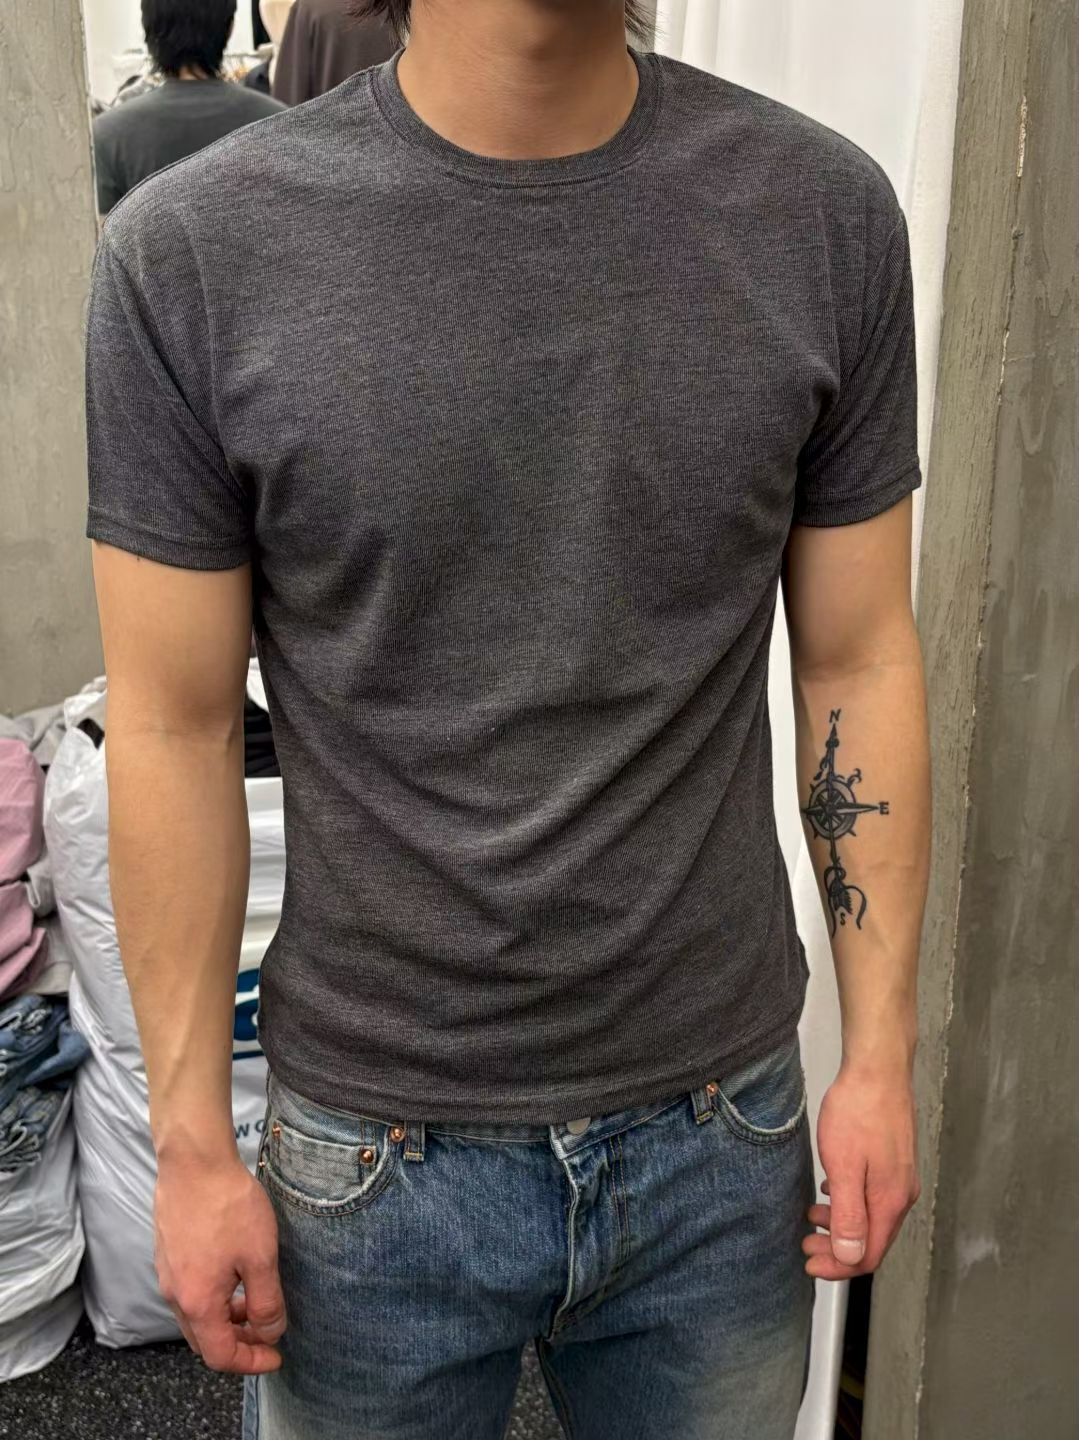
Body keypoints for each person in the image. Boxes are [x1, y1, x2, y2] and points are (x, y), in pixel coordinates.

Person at [84, 1, 930, 1435]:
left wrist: (878, 1055)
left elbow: (854, 661)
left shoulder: (820, 218)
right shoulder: (195, 255)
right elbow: (172, 729)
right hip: (369, 1156)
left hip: (716, 1131)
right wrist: (187, 1143)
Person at [91, 0, 284, 215]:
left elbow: (100, 231)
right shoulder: (278, 122)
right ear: (230, 28)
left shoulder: (107, 136)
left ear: (147, 28)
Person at [271, 0, 396, 106]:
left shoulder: (310, 8)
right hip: (388, 115)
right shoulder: (396, 7)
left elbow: (289, 92)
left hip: (323, 120)